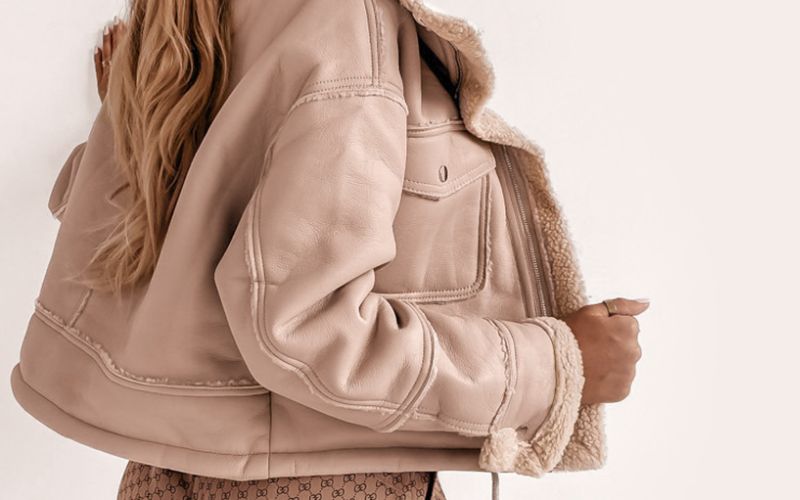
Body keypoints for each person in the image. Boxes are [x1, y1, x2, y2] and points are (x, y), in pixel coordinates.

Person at [10, 1, 649, 499]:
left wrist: (131, 122)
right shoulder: (345, 25)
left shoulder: (191, 16)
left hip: (168, 473)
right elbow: (306, 329)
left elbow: (144, 237)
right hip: (329, 482)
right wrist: (554, 365)